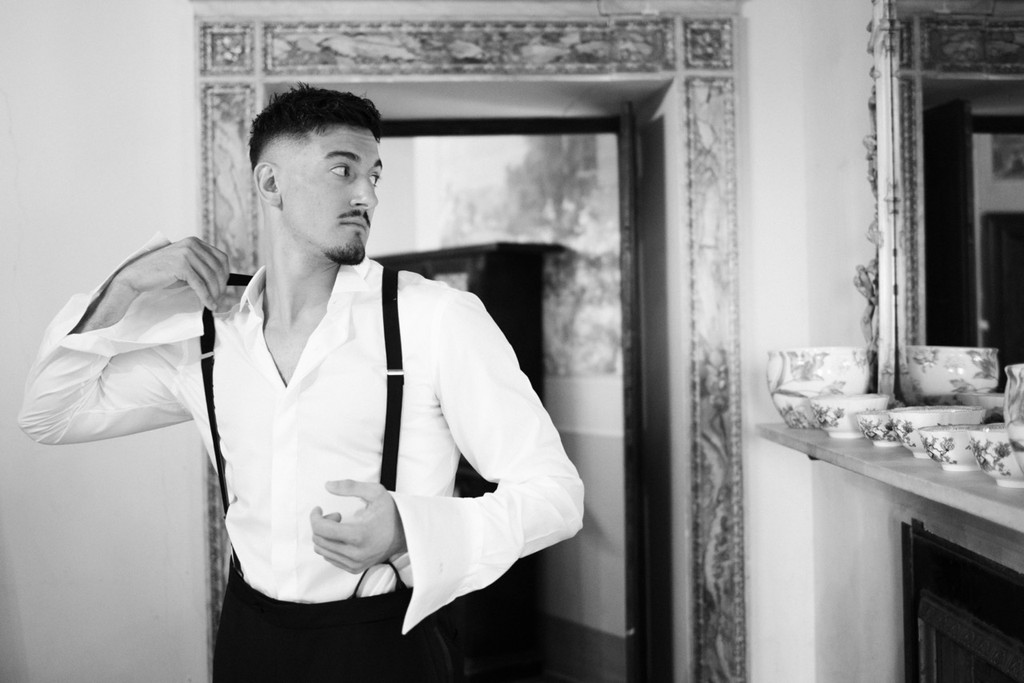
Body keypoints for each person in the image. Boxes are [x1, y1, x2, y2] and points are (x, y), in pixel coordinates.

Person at [18, 84, 585, 682]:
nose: (367, 194)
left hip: (388, 650)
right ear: (270, 184)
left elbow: (556, 495)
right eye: (343, 170)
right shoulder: (207, 343)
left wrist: (411, 529)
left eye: (374, 175)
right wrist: (125, 285)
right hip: (249, 643)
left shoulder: (434, 319)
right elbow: (49, 416)